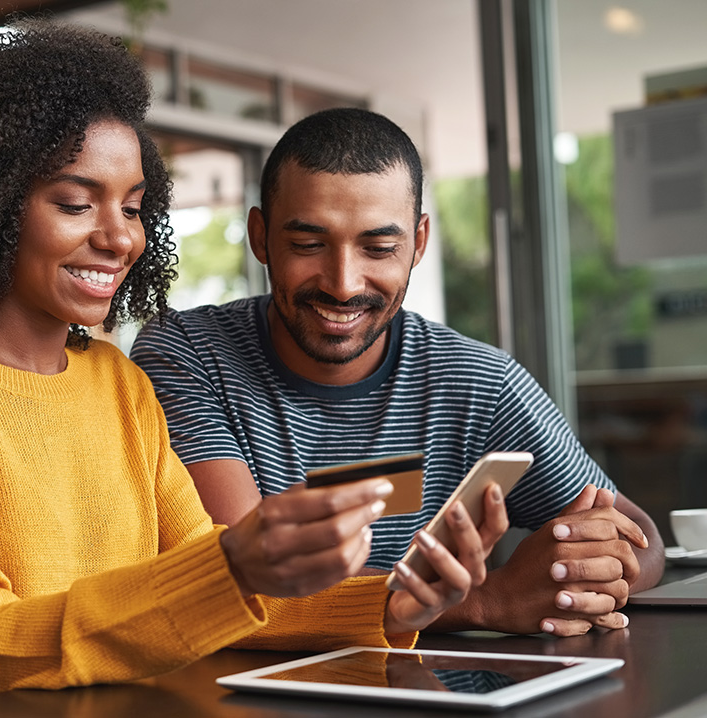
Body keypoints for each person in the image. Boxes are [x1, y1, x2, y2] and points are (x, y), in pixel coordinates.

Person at [0, 23, 509, 718]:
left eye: (135, 208)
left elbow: (212, 587)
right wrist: (231, 568)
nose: (119, 238)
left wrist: (388, 602)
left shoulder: (117, 381)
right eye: (77, 203)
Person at [131, 107, 664, 638]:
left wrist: (581, 572)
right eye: (308, 244)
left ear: (419, 243)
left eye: (379, 247)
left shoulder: (477, 381)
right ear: (261, 236)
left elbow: (641, 538)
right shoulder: (187, 354)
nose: (343, 284)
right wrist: (486, 601)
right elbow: (242, 582)